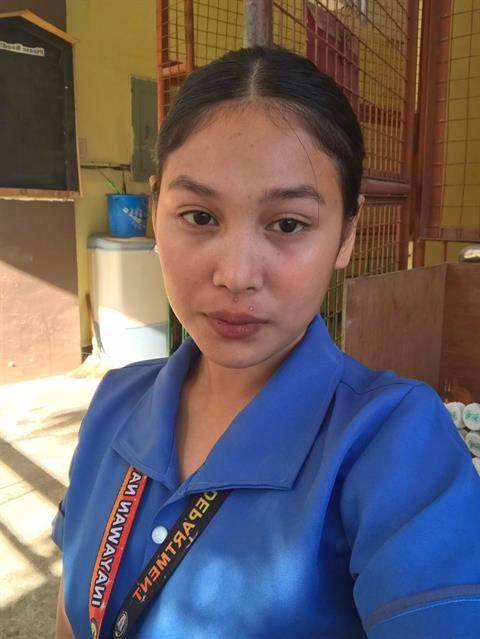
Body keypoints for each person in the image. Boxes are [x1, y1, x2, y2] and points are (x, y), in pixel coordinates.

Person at [54, 47, 480, 639]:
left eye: (288, 224)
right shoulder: (114, 404)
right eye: (199, 216)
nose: (236, 275)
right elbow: (72, 617)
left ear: (346, 235)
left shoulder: (394, 442)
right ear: (154, 212)